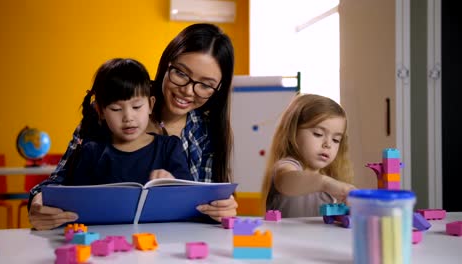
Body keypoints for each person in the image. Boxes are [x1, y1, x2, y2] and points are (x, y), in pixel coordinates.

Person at [28, 23, 237, 230]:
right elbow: (61, 183)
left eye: (206, 84)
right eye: (181, 73)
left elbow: (204, 202)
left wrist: (221, 209)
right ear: (167, 64)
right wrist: (39, 201)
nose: (189, 91)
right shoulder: (112, 105)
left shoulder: (207, 131)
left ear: (218, 88)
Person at [67, 58, 192, 186]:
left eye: (136, 107)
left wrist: (171, 181)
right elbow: (76, 198)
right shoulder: (92, 152)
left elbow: (189, 195)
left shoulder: (169, 148)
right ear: (101, 111)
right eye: (116, 109)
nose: (128, 117)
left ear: (150, 105)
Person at [261, 94, 356, 218]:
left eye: (336, 140)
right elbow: (285, 180)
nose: (327, 144)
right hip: (284, 238)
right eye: (318, 134)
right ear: (293, 132)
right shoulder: (288, 166)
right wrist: (325, 183)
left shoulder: (329, 178)